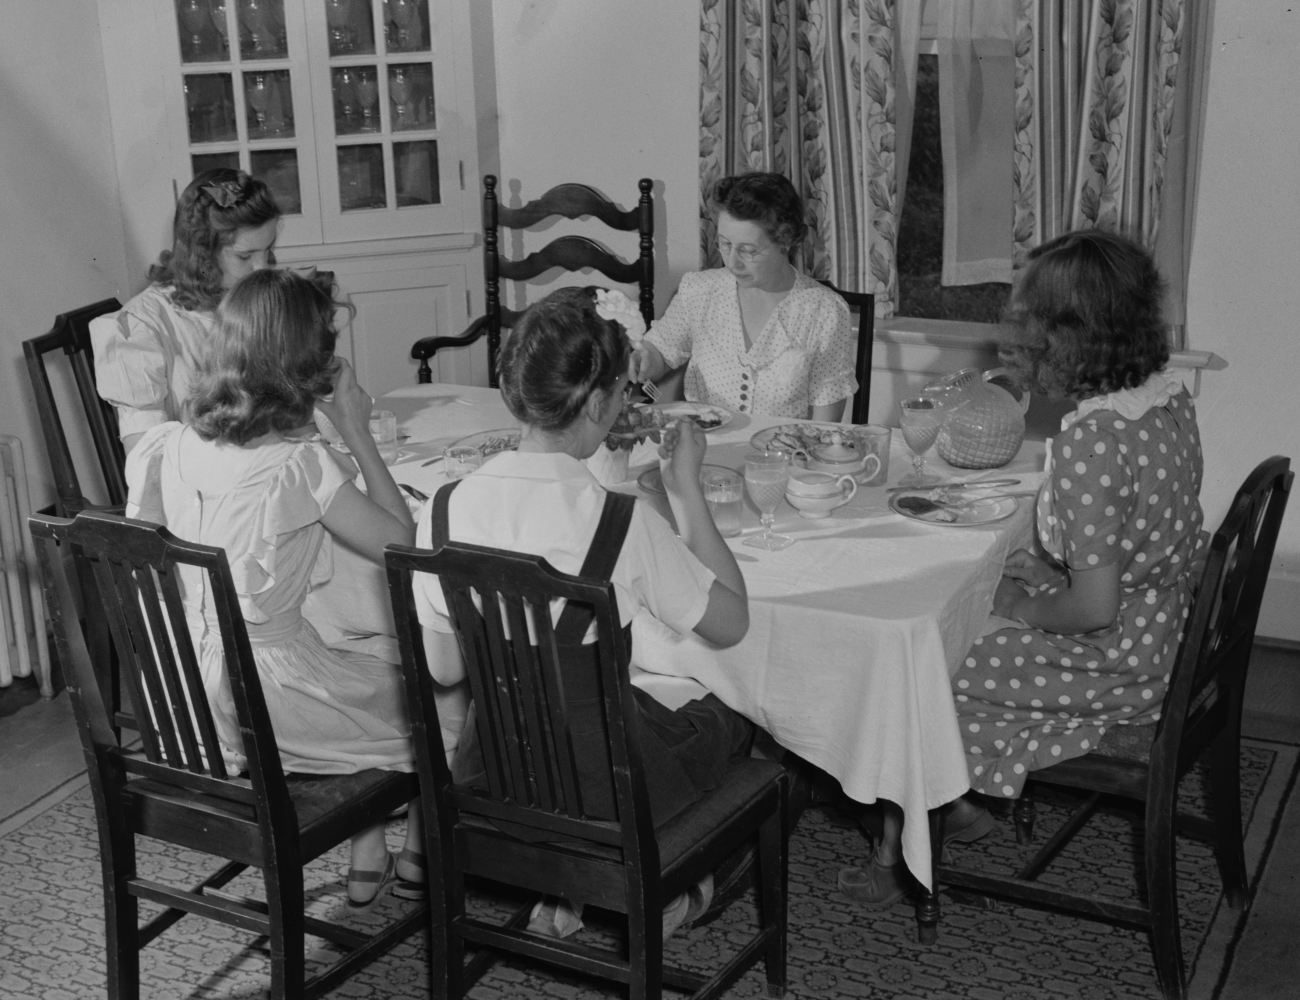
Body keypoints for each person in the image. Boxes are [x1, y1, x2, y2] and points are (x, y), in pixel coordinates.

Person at [842, 229, 1207, 906]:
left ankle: (899, 855)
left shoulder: (1093, 442)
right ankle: (954, 806)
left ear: (1068, 337)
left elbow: (1092, 607)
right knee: (958, 607)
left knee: (913, 667)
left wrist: (1017, 604)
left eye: (1025, 319)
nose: (1013, 331)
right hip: (1159, 632)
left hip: (1110, 659)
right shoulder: (1162, 399)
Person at [412, 285, 754, 939]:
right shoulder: (616, 521)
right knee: (744, 721)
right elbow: (732, 624)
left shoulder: (445, 506)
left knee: (634, 705)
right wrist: (687, 493)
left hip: (493, 779)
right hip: (609, 794)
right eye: (624, 389)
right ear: (600, 403)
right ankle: (670, 890)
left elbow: (444, 669)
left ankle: (568, 886)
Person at [124, 269, 430, 907]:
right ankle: (412, 840)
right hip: (266, 702)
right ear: (308, 370)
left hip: (182, 698)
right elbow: (401, 544)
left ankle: (367, 839)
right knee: (442, 698)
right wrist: (355, 430)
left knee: (355, 650)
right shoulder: (300, 464)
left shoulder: (166, 446)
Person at [628, 172, 857, 420]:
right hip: (702, 450)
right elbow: (660, 350)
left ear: (785, 240)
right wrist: (645, 359)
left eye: (748, 250)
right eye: (725, 244)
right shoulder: (699, 292)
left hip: (786, 455)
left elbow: (825, 428)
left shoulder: (824, 312)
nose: (733, 262)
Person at [94, 168, 282, 456]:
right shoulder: (144, 325)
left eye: (267, 252)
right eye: (246, 256)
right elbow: (146, 459)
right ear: (203, 253)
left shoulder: (244, 299)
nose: (263, 268)